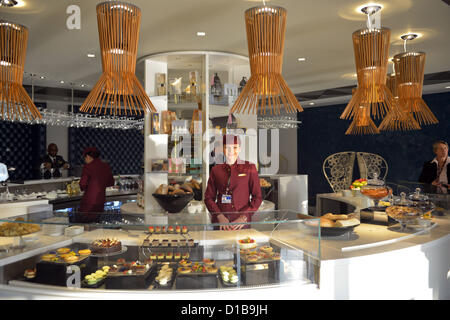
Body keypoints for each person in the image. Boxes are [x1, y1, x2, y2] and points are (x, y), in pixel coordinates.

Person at [204, 134, 262, 230]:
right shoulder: (216, 170)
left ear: (239, 148)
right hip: (221, 224)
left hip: (241, 224)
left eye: (234, 147)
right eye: (227, 147)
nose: (231, 151)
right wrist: (219, 216)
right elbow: (208, 198)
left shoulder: (249, 167)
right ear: (223, 149)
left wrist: (244, 217)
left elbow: (257, 197)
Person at [78, 147, 115, 222]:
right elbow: (111, 182)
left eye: (84, 158)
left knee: (85, 225)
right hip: (101, 201)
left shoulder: (88, 167)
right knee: (96, 224)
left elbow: (83, 184)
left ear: (88, 156)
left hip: (89, 202)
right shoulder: (106, 166)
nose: (85, 160)